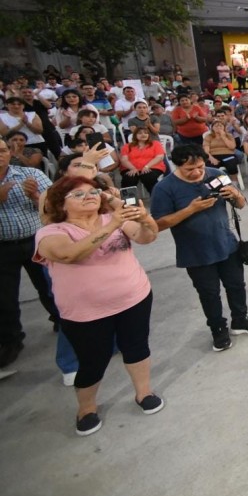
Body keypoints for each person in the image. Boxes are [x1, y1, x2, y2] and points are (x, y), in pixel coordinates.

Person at [34, 175, 162, 436]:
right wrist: (113, 222)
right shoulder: (51, 233)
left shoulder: (113, 219)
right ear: (61, 203)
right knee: (93, 360)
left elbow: (146, 237)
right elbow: (70, 254)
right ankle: (87, 408)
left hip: (133, 298)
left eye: (93, 191)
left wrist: (145, 219)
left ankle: (143, 392)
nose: (90, 196)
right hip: (86, 313)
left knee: (137, 347)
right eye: (78, 194)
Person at [150, 145, 248, 352]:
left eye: (200, 167)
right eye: (189, 169)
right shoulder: (165, 188)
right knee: (209, 293)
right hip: (195, 252)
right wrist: (189, 210)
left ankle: (240, 320)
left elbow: (240, 204)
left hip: (226, 244)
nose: (197, 173)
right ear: (177, 166)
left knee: (236, 285)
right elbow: (158, 224)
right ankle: (218, 329)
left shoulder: (216, 174)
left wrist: (235, 194)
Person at [0, 138, 58, 368]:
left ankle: (62, 320)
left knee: (50, 286)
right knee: (5, 298)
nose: (0, 155)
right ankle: (11, 340)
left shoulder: (28, 175)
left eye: (3, 150)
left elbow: (55, 207)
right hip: (3, 246)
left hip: (36, 239)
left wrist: (35, 198)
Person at [120, 129, 167, 193]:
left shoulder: (156, 144)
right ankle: (129, 201)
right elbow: (124, 160)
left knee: (148, 177)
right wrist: (133, 168)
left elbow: (159, 157)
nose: (143, 135)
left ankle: (156, 198)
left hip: (152, 167)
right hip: (131, 168)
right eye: (140, 133)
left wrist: (147, 166)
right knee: (129, 178)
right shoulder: (127, 146)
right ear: (135, 135)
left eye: (146, 133)